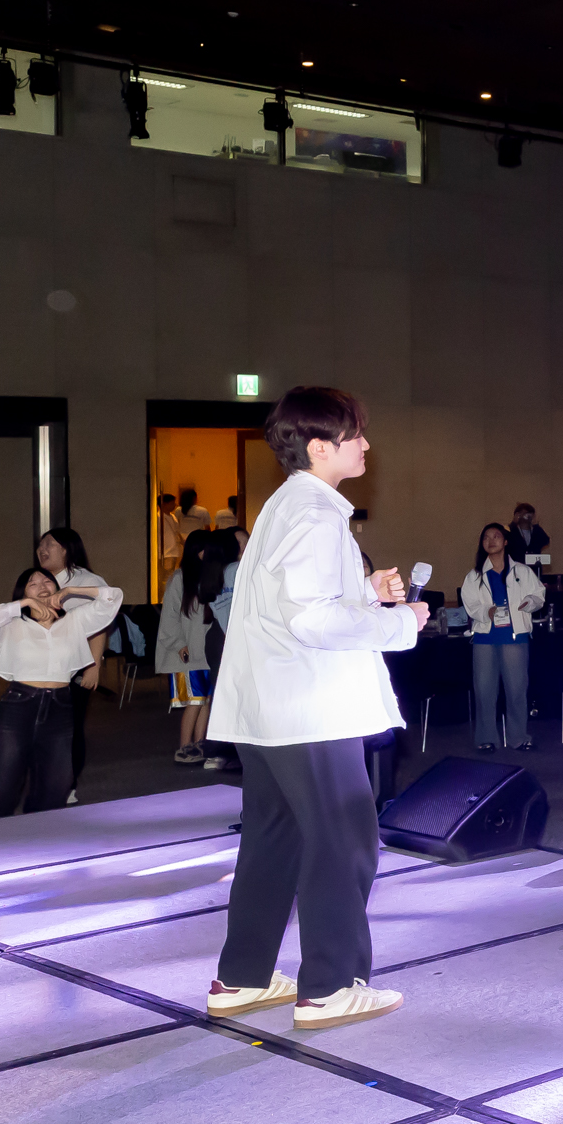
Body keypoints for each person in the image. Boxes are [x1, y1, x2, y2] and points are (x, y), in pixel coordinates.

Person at [205, 386, 426, 1031]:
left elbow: (291, 603)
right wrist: (402, 622)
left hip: (270, 709)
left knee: (273, 841)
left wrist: (364, 588)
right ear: (320, 446)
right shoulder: (316, 514)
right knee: (343, 840)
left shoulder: (287, 504)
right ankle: (329, 986)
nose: (366, 444)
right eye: (356, 434)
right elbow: (312, 621)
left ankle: (242, 978)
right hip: (310, 711)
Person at [0, 567, 124, 819]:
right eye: (32, 583)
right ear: (22, 593)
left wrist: (71, 591)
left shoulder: (74, 621)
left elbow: (113, 597)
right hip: (18, 706)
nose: (41, 586)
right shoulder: (12, 626)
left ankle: (40, 837)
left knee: (54, 786)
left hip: (61, 707)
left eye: (47, 581)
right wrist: (22, 605)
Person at [33, 527, 112, 801]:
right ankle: (46, 780)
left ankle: (68, 786)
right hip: (41, 667)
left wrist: (94, 665)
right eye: (40, 545)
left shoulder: (87, 581)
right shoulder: (38, 581)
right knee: (41, 725)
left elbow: (100, 625)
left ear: (66, 549)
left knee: (69, 727)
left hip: (76, 666)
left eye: (49, 544)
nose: (42, 550)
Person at [156, 531, 236, 768]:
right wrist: (179, 643)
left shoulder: (211, 576)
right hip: (188, 653)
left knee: (206, 700)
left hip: (206, 652)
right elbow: (170, 616)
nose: (207, 553)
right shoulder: (180, 578)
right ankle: (184, 746)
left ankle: (200, 744)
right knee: (195, 700)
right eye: (204, 549)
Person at [460, 522, 540, 753]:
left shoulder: (522, 571)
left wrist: (529, 603)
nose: (491, 541)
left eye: (496, 536)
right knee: (484, 690)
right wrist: (487, 612)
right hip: (485, 638)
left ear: (505, 541)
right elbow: (470, 604)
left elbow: (539, 595)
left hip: (515, 637)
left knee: (516, 690)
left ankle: (519, 737)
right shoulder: (474, 576)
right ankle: (486, 738)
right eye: (486, 537)